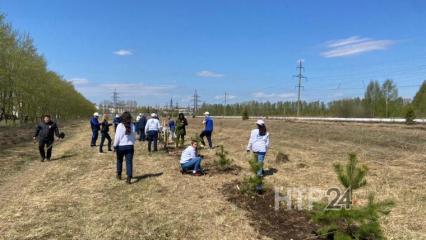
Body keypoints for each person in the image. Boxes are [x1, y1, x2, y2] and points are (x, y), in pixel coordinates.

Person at [113, 111, 136, 184]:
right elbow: (134, 136)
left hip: (120, 146)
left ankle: (119, 175)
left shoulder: (120, 125)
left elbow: (117, 137)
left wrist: (114, 145)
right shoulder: (132, 125)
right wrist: (132, 143)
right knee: (129, 162)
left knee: (119, 160)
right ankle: (129, 178)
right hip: (129, 146)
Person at [246, 119, 270, 185]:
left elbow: (250, 140)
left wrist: (248, 147)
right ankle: (261, 171)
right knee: (260, 162)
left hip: (255, 149)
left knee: (257, 163)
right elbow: (267, 144)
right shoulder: (266, 132)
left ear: (257, 125)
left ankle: (258, 182)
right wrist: (266, 150)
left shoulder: (253, 131)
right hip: (262, 150)